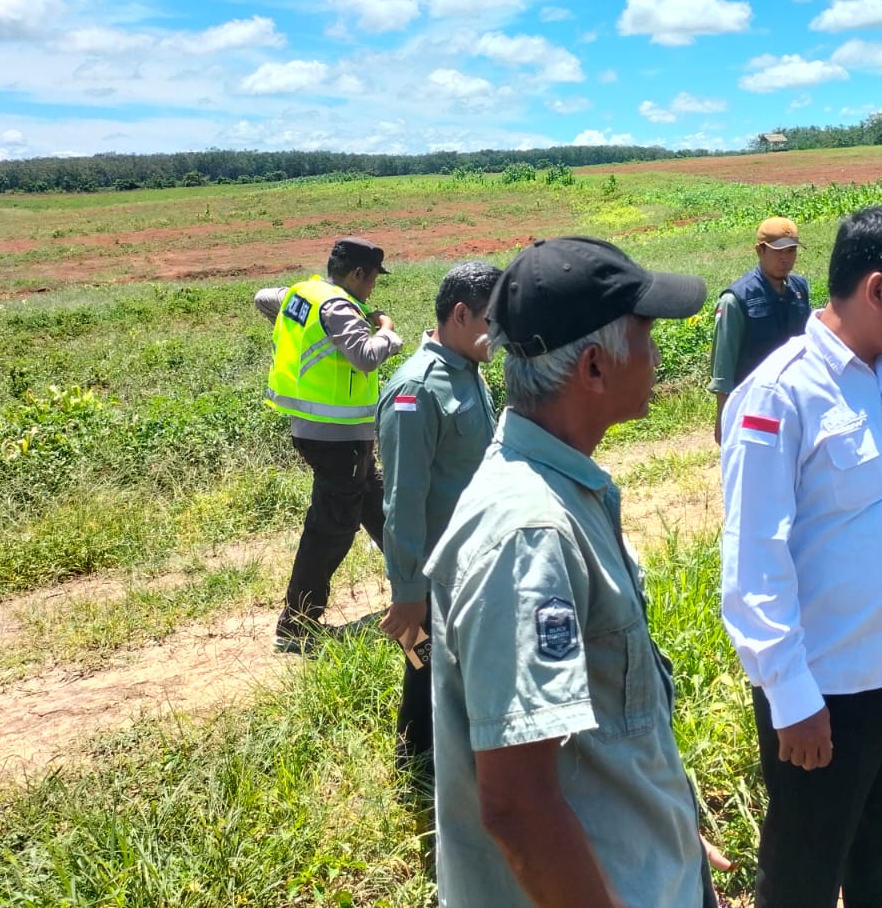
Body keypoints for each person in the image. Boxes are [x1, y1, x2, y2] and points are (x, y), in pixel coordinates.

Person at [424, 236, 720, 908]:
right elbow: (518, 805)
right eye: (645, 336)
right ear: (592, 367)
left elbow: (595, 742)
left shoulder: (560, 493)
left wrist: (668, 838)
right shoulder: (530, 534)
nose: (656, 356)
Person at [720, 205, 882, 908]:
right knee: (804, 878)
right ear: (877, 289)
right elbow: (752, 559)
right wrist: (791, 698)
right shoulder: (780, 392)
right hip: (829, 699)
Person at [376, 260, 501, 778]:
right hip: (436, 567)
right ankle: (416, 769)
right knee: (425, 669)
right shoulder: (418, 389)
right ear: (460, 314)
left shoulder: (467, 371)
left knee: (456, 666)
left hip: (473, 557)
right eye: (493, 320)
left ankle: (452, 756)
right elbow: (404, 496)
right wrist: (407, 588)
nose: (500, 334)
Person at [256, 236, 403, 653]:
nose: (374, 288)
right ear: (358, 273)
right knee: (331, 529)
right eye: (373, 278)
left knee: (378, 506)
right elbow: (364, 356)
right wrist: (388, 333)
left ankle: (421, 586)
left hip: (315, 430)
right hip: (338, 436)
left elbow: (264, 297)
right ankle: (297, 625)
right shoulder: (338, 306)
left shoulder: (304, 294)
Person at [709, 216, 810, 442]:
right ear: (760, 251)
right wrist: (723, 419)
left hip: (794, 400)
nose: (786, 259)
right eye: (778, 252)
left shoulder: (799, 289)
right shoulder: (736, 299)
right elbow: (723, 367)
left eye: (791, 251)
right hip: (754, 404)